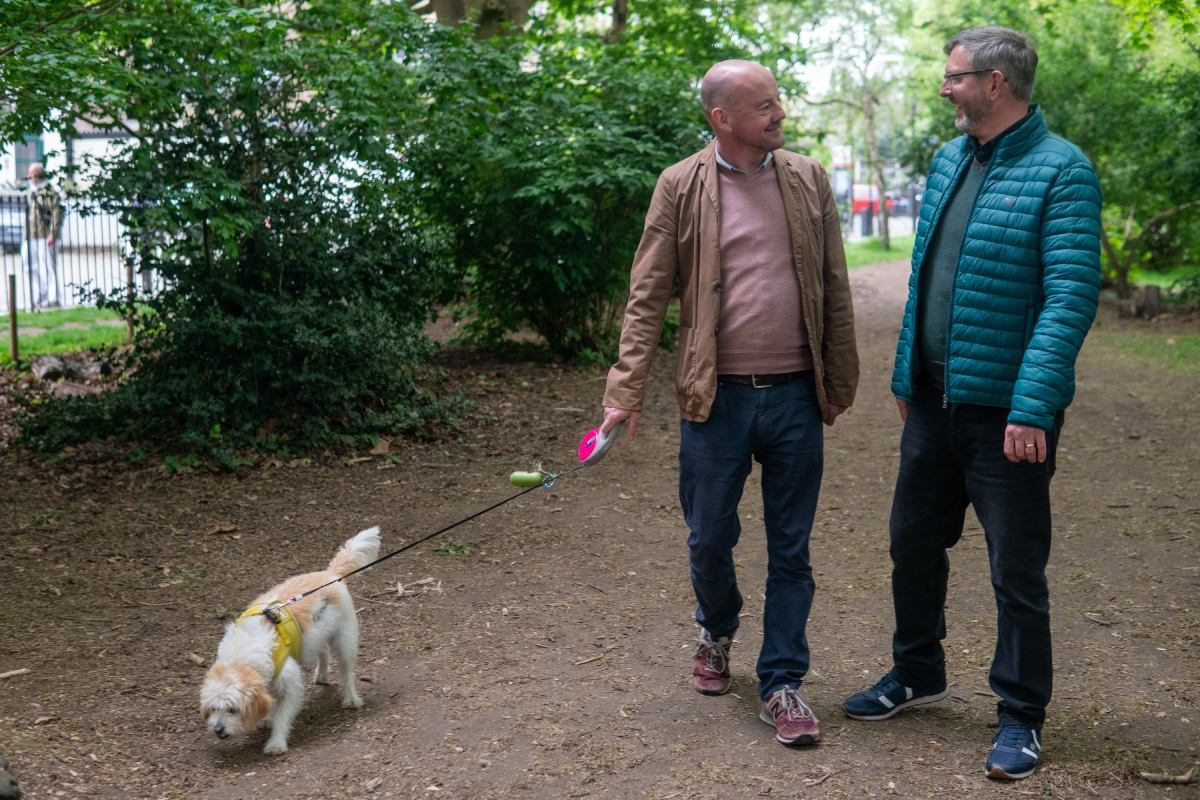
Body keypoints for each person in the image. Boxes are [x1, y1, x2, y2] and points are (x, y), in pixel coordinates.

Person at [840, 26, 1101, 780]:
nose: (945, 88)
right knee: (910, 543)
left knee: (1014, 568)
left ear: (995, 83)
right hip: (932, 404)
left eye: (954, 77)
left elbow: (1069, 297)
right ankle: (917, 671)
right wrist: (904, 377)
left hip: (1008, 416)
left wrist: (1032, 404)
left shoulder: (1063, 171)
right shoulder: (949, 160)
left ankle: (1020, 714)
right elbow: (927, 279)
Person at [599, 60, 859, 747]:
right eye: (765, 106)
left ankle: (783, 683)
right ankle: (716, 629)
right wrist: (624, 394)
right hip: (714, 400)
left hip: (796, 397)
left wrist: (839, 379)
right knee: (709, 537)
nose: (780, 114)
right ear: (723, 118)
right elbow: (647, 294)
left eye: (778, 102)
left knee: (792, 549)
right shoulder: (680, 185)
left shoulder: (808, 180)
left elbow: (834, 285)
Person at [23, 163, 64, 309]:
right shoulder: (30, 192)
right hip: (31, 235)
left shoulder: (50, 192)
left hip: (45, 235)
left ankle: (53, 297)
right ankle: (39, 294)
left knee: (49, 267)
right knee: (30, 267)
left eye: (33, 174)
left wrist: (53, 234)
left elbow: (56, 214)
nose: (30, 178)